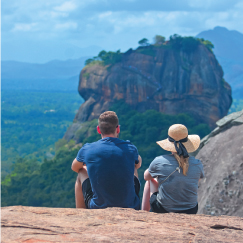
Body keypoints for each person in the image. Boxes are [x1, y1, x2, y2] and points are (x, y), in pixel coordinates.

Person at [71, 111, 142, 210]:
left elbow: (74, 167)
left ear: (98, 130)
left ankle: (81, 214)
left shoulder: (87, 149)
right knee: (133, 165)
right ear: (118, 129)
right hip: (130, 206)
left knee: (81, 172)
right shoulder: (130, 147)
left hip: (98, 207)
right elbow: (138, 164)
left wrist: (90, 166)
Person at [141, 124, 204, 214]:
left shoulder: (159, 161)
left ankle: (144, 213)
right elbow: (197, 181)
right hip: (191, 210)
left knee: (151, 180)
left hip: (163, 210)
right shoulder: (198, 163)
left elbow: (146, 177)